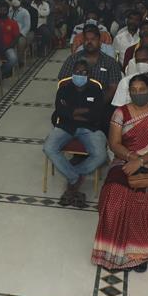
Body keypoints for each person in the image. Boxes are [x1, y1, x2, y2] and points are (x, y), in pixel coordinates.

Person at [92, 74, 148, 272]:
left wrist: (140, 161)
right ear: (129, 93)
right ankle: (114, 250)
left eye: (142, 90)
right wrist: (131, 157)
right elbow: (114, 144)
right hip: (124, 159)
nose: (138, 94)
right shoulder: (120, 113)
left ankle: (144, 252)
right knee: (114, 193)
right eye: (134, 91)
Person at [44, 60, 108, 207]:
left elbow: (97, 114)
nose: (80, 75)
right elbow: (60, 111)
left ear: (89, 75)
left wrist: (72, 112)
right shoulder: (64, 89)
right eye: (77, 72)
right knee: (48, 147)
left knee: (101, 155)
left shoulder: (96, 90)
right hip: (65, 126)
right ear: (72, 73)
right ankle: (74, 177)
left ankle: (75, 174)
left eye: (84, 72)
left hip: (90, 128)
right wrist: (82, 112)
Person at [59, 26, 122, 107]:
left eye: (93, 39)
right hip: (74, 103)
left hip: (101, 104)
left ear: (99, 41)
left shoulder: (110, 62)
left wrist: (96, 105)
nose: (89, 42)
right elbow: (63, 83)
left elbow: (113, 88)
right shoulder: (73, 59)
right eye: (86, 39)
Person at [0, 1, 21, 76]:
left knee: (13, 59)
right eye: (0, 10)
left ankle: (2, 72)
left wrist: (7, 47)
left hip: (8, 47)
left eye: (4, 10)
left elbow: (16, 38)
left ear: (8, 11)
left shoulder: (13, 23)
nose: (2, 12)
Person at [8, 0, 31, 65]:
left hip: (21, 34)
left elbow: (27, 26)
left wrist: (20, 34)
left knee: (20, 42)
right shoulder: (9, 10)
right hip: (9, 32)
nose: (15, 1)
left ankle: (19, 60)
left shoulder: (25, 12)